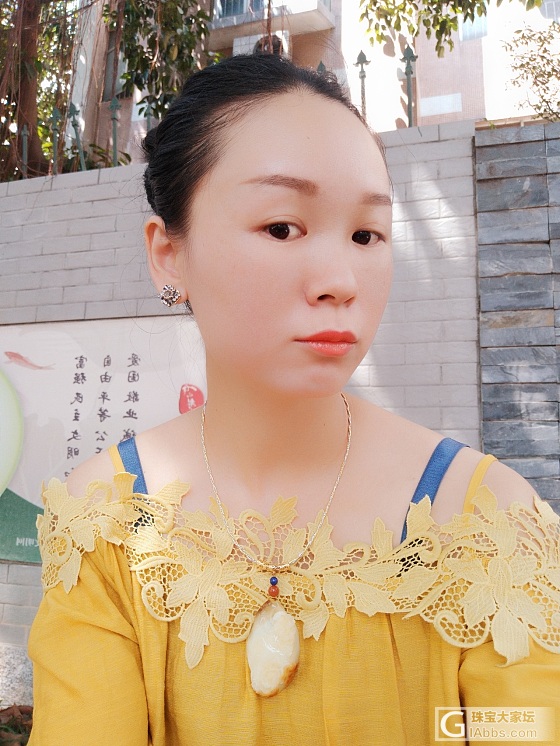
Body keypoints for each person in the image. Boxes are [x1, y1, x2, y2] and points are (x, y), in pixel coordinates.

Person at [28, 54, 560, 745]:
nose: (341, 280)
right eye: (282, 227)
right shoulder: (101, 518)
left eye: (366, 234)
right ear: (168, 255)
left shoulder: (490, 519)